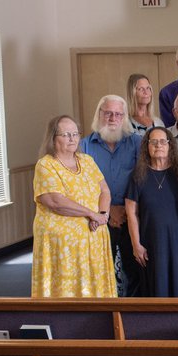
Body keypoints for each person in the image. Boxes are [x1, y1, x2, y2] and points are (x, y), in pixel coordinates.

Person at [31, 115, 116, 298]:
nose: (72, 138)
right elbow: (55, 202)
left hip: (93, 238)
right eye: (66, 134)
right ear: (53, 138)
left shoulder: (86, 160)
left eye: (75, 134)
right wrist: (91, 214)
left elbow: (105, 191)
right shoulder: (46, 165)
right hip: (62, 247)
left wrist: (102, 214)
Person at [81, 95, 141, 297]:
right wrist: (105, 211)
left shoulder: (136, 143)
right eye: (108, 113)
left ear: (124, 117)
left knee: (134, 270)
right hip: (97, 218)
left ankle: (133, 313)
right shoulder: (84, 146)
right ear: (100, 115)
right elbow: (81, 185)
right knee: (100, 269)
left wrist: (125, 208)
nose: (113, 118)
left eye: (118, 114)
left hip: (131, 215)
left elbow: (142, 178)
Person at [125, 127, 178, 297]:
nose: (158, 145)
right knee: (156, 287)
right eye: (153, 142)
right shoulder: (138, 175)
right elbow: (131, 212)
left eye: (163, 141)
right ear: (146, 146)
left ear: (170, 145)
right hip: (150, 242)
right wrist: (136, 245)